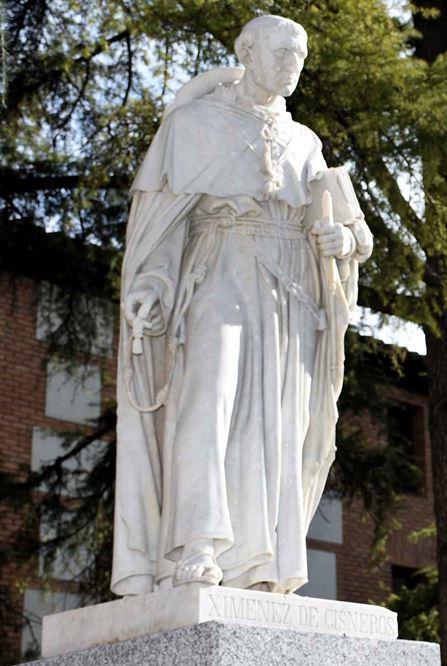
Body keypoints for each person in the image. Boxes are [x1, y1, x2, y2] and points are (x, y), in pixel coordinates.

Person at [112, 15, 372, 595]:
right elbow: (160, 227)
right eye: (281, 51)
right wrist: (151, 287)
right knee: (210, 397)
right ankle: (196, 546)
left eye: (299, 56)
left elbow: (349, 231)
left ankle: (259, 562)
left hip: (291, 291)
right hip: (218, 268)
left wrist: (343, 241)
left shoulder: (306, 143)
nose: (291, 64)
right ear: (247, 51)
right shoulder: (191, 124)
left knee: (280, 420)